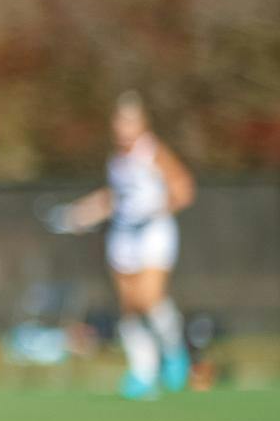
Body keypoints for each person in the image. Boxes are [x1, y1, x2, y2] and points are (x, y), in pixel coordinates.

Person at [54, 93, 195, 399]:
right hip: (123, 236)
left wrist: (155, 209)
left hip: (153, 233)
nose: (123, 127)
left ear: (141, 123)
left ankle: (174, 352)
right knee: (129, 308)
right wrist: (80, 214)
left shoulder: (154, 153)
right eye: (119, 121)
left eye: (129, 121)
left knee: (151, 299)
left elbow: (183, 189)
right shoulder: (117, 161)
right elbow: (114, 199)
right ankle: (143, 371)